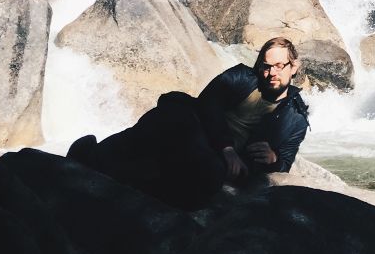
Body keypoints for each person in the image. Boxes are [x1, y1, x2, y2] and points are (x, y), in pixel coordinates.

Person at [67, 36, 309, 209]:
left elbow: (286, 160)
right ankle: (93, 157)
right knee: (171, 115)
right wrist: (226, 147)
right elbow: (207, 104)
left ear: (294, 67)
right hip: (200, 135)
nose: (271, 73)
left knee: (209, 175)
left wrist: (274, 158)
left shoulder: (296, 118)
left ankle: (135, 193)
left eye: (279, 66)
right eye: (266, 67)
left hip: (222, 162)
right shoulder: (241, 77)